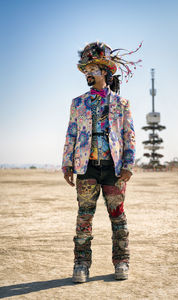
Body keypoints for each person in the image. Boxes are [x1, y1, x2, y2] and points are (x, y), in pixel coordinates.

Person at [62, 41, 142, 283]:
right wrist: (67, 164)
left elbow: (129, 134)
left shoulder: (121, 103)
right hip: (85, 167)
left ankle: (122, 262)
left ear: (105, 71)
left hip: (114, 169)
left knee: (118, 216)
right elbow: (71, 133)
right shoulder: (78, 103)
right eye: (86, 69)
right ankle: (81, 265)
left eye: (92, 68)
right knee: (84, 217)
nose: (87, 73)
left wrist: (128, 165)